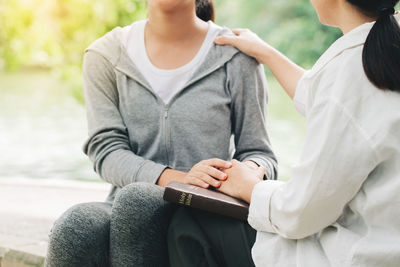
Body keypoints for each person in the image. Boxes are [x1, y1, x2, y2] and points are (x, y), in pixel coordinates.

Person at [45, 0, 278, 266]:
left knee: (138, 201)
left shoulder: (236, 55)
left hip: (205, 209)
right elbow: (106, 150)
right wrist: (180, 179)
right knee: (76, 226)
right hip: (121, 204)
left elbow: (260, 153)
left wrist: (241, 173)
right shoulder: (105, 54)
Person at [168, 0, 400, 266]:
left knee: (189, 225)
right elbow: (318, 96)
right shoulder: (381, 49)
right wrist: (264, 51)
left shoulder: (351, 73)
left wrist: (248, 186)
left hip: (353, 256)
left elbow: (300, 213)